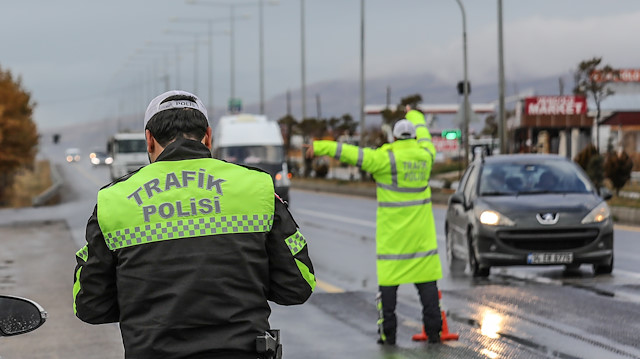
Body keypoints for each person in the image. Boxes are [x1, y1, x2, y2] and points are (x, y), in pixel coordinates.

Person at [73, 90, 316, 359]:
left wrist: (140, 301)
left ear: (149, 140)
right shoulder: (257, 188)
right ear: (208, 137)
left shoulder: (114, 200)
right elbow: (298, 285)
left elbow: (89, 305)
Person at [306, 118, 443, 345]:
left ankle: (388, 335)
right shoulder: (426, 156)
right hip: (422, 241)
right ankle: (435, 333)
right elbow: (426, 137)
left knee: (388, 293)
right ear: (414, 137)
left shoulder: (383, 159)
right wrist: (416, 115)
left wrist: (320, 146)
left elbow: (350, 153)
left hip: (393, 244)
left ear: (395, 138)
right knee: (428, 290)